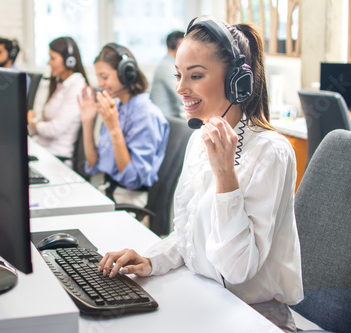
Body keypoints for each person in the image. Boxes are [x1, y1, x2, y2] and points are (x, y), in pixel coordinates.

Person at [97, 17, 303, 333]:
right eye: (179, 75)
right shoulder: (200, 137)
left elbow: (237, 270)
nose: (180, 88)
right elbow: (187, 233)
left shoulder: (271, 153)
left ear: (238, 82)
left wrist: (225, 176)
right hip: (205, 299)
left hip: (255, 318)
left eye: (195, 75)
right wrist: (152, 260)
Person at [79, 43, 169, 208]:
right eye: (98, 77)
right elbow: (93, 165)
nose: (100, 84)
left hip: (129, 202)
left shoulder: (146, 114)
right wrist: (87, 122)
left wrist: (114, 130)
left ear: (126, 73)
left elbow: (132, 180)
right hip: (109, 194)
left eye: (104, 77)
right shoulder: (117, 108)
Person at [28, 37, 89, 161]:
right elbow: (42, 119)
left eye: (53, 58)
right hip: (44, 151)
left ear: (69, 61)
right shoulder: (60, 84)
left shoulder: (77, 87)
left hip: (57, 157)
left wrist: (33, 122)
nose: (48, 63)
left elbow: (54, 130)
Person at [150, 30, 185, 117]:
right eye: (184, 45)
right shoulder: (167, 66)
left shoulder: (170, 63)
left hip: (172, 116)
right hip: (167, 118)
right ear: (173, 45)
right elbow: (182, 95)